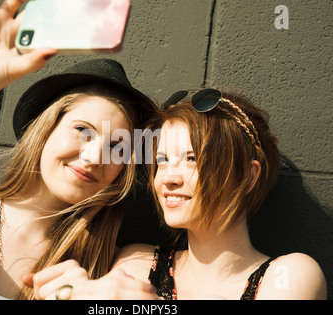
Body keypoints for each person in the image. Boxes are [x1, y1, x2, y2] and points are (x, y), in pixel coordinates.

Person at [0, 0, 159, 300]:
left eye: (118, 147)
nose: (94, 158)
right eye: (83, 131)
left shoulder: (113, 274)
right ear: (46, 130)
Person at [29, 88, 327, 300]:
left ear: (248, 176)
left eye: (192, 158)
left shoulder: (289, 275)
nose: (168, 178)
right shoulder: (137, 262)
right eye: (161, 160)